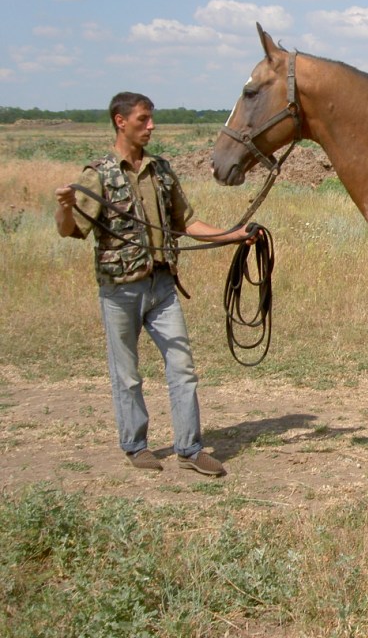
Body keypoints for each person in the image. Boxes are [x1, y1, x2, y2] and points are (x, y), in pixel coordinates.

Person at [55, 92, 255, 477]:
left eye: (152, 119)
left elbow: (186, 223)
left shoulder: (161, 171)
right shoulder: (97, 174)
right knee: (126, 373)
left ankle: (190, 449)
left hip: (162, 286)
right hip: (120, 291)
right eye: (143, 119)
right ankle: (135, 445)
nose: (151, 126)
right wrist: (64, 206)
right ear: (120, 121)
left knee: (182, 366)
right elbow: (72, 231)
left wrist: (233, 235)